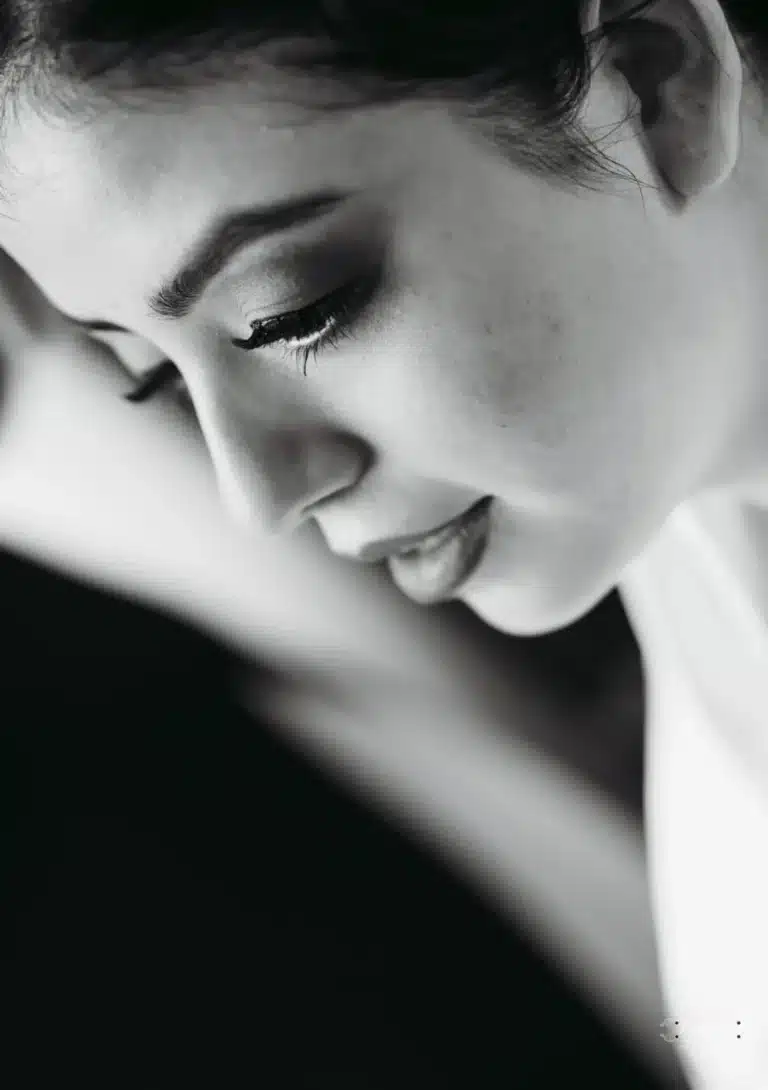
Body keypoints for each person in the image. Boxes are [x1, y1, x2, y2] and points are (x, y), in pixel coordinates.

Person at [0, 0, 765, 1084]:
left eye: (294, 314)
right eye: (157, 377)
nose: (259, 499)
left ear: (654, 82)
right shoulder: (685, 542)